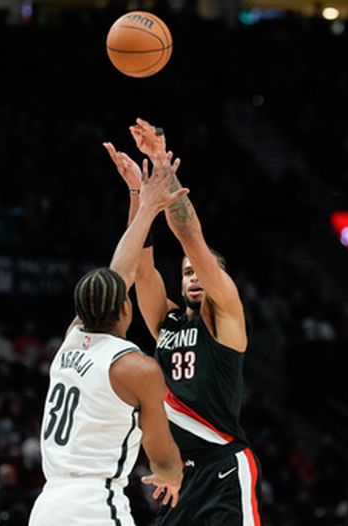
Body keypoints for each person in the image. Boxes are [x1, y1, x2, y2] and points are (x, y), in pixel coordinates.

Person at [104, 118, 262, 525]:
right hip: (179, 475)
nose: (194, 276)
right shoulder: (167, 322)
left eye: (200, 271)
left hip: (223, 466)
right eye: (187, 272)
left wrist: (162, 164)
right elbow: (142, 269)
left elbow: (190, 235)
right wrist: (138, 195)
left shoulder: (224, 317)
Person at [29, 148, 187, 526]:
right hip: (95, 506)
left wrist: (140, 200)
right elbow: (162, 456)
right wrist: (173, 476)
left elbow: (122, 272)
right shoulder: (137, 368)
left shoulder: (71, 340)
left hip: (48, 505)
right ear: (125, 308)